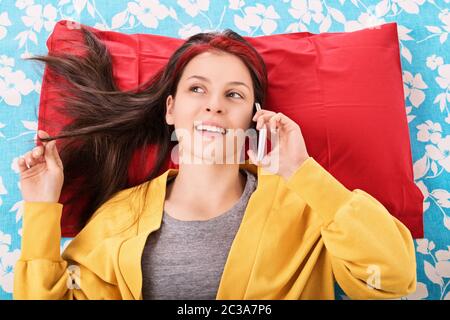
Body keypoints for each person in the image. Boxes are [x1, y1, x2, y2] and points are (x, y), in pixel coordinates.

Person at [14, 26, 416, 300]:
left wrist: (302, 171)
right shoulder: (118, 218)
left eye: (235, 95)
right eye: (197, 88)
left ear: (254, 116)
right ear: (171, 109)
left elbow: (393, 277)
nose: (214, 104)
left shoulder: (307, 207)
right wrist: (41, 208)